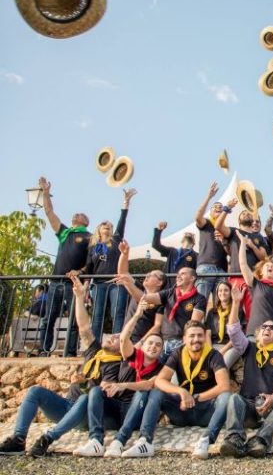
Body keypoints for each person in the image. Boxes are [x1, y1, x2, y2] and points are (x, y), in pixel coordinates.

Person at [0, 274, 121, 457]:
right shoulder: (94, 352)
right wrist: (79, 298)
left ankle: (48, 438)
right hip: (67, 407)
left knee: (83, 399)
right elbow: (84, 327)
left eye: (117, 338)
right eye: (112, 335)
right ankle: (18, 439)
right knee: (34, 391)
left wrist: (83, 383)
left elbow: (101, 394)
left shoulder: (119, 364)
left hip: (86, 415)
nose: (111, 336)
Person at [121, 320, 231, 459]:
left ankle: (206, 441)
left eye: (199, 335)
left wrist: (196, 398)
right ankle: (145, 441)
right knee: (157, 391)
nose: (196, 339)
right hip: (181, 409)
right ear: (184, 339)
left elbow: (224, 386)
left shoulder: (214, 355)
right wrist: (181, 392)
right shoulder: (178, 353)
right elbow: (160, 380)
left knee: (226, 397)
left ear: (205, 337)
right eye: (192, 336)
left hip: (205, 411)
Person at [72, 299, 164, 456]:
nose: (153, 347)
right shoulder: (131, 356)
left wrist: (123, 385)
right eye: (150, 343)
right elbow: (123, 338)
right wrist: (136, 315)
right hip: (116, 408)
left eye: (158, 345)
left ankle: (120, 441)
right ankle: (96, 441)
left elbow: (149, 384)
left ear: (161, 350)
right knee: (95, 391)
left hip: (135, 410)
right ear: (142, 345)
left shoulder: (161, 367)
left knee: (144, 392)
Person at [219, 286, 273, 458]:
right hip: (249, 405)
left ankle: (261, 439)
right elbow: (233, 331)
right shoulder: (249, 347)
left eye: (272, 328)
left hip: (269, 406)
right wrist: (236, 303)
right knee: (234, 398)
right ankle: (234, 439)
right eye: (264, 327)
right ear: (258, 334)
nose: (267, 329)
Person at [37, 176, 91, 355]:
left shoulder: (89, 237)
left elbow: (90, 262)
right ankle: (44, 350)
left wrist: (80, 272)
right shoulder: (65, 233)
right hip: (54, 283)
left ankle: (69, 352)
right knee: (48, 319)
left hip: (73, 284)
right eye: (75, 214)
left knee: (74, 320)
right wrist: (45, 193)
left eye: (81, 214)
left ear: (86, 222)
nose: (76, 214)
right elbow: (49, 212)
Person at [122, 266, 207, 362]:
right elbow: (144, 298)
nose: (178, 276)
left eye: (183, 274)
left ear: (192, 278)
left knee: (175, 376)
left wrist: (185, 344)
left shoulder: (199, 299)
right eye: (178, 274)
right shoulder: (170, 292)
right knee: (156, 373)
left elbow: (193, 325)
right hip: (163, 342)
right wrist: (128, 283)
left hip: (181, 343)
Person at [85, 188, 136, 338]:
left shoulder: (116, 240)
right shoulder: (93, 247)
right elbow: (89, 268)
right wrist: (86, 288)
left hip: (116, 282)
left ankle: (117, 342)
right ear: (99, 229)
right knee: (97, 315)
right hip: (99, 283)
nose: (106, 224)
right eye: (103, 224)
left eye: (109, 224)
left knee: (118, 313)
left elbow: (122, 221)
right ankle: (95, 344)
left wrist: (126, 203)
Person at [217, 200, 270, 325]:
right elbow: (218, 226)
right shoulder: (234, 232)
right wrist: (227, 208)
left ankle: (250, 335)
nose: (246, 214)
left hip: (253, 278)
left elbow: (264, 257)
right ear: (239, 219)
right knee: (234, 310)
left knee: (251, 311)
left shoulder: (259, 237)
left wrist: (252, 245)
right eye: (243, 213)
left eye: (248, 213)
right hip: (235, 277)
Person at [115, 241, 166, 344]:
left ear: (159, 282)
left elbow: (142, 298)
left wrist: (127, 283)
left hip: (142, 342)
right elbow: (123, 273)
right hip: (126, 336)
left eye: (152, 275)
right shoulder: (140, 288)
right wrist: (124, 254)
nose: (147, 275)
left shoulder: (161, 299)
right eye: (148, 273)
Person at [194, 182, 228, 300]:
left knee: (220, 306)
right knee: (200, 303)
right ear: (210, 211)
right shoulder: (207, 223)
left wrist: (223, 240)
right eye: (215, 207)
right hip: (206, 268)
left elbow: (229, 251)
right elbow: (198, 217)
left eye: (221, 207)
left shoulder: (226, 229)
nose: (218, 208)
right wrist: (209, 196)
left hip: (222, 270)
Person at [205, 281, 246, 368]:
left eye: (226, 290)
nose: (222, 293)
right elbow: (207, 334)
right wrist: (210, 350)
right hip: (214, 346)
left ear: (231, 293)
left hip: (232, 346)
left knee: (222, 365)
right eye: (220, 291)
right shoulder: (212, 312)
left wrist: (222, 350)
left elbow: (238, 335)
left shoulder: (237, 311)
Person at [152, 221, 197, 287]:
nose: (189, 235)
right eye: (186, 235)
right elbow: (155, 245)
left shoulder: (196, 255)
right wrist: (159, 230)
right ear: (182, 241)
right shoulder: (172, 251)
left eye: (192, 236)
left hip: (184, 288)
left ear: (193, 244)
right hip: (168, 287)